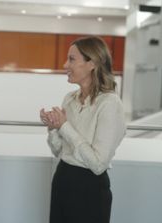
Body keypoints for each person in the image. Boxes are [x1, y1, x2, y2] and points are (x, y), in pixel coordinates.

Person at [40, 36, 126, 223]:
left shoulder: (110, 104)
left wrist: (65, 126)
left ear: (92, 63)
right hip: (62, 179)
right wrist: (54, 127)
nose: (65, 65)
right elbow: (58, 151)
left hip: (90, 190)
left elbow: (98, 164)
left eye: (71, 59)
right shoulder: (69, 99)